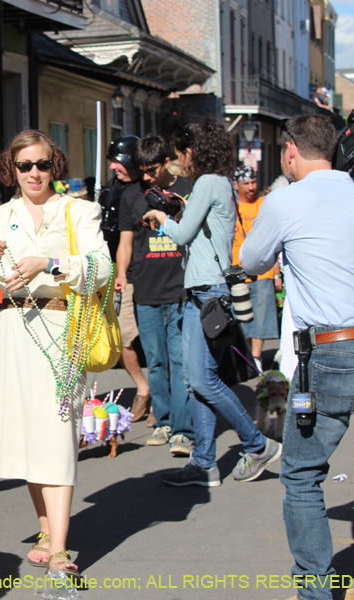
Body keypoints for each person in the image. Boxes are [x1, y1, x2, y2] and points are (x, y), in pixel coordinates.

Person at [0, 129, 111, 577]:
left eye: (42, 164)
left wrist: (50, 263)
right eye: (24, 166)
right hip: (12, 327)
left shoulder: (78, 210)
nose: (34, 174)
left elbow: (100, 268)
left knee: (57, 432)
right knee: (30, 435)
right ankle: (46, 529)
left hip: (63, 328)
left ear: (54, 165)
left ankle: (61, 551)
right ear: (12, 169)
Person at [239, 114, 354, 600]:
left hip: (330, 351)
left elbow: (252, 261)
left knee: (302, 473)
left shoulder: (286, 200)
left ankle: (314, 589)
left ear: (290, 151)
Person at [143, 118, 282, 488]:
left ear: (193, 150)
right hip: (209, 293)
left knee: (202, 380)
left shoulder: (207, 182)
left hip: (206, 294)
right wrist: (179, 208)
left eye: (179, 155)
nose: (177, 163)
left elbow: (182, 235)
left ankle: (257, 443)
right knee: (199, 381)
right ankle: (204, 463)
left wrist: (159, 217)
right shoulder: (220, 183)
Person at [122, 135, 194, 455]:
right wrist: (122, 275)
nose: (146, 178)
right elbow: (126, 241)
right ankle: (162, 421)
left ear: (166, 162)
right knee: (156, 360)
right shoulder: (130, 195)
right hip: (146, 288)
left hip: (180, 285)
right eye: (141, 172)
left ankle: (183, 428)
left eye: (151, 171)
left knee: (180, 360)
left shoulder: (189, 188)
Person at [107, 135, 153, 422]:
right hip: (120, 274)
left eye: (117, 160)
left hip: (153, 273)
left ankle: (162, 397)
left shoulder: (150, 189)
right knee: (122, 336)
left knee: (154, 340)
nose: (113, 166)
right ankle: (143, 388)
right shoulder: (115, 192)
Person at [232, 165, 281, 372]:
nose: (252, 187)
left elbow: (275, 239)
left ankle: (257, 357)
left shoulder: (264, 204)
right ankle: (244, 356)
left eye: (254, 182)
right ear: (236, 185)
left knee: (260, 315)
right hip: (237, 270)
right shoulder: (231, 206)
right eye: (246, 184)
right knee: (240, 317)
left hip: (263, 270)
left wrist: (277, 272)